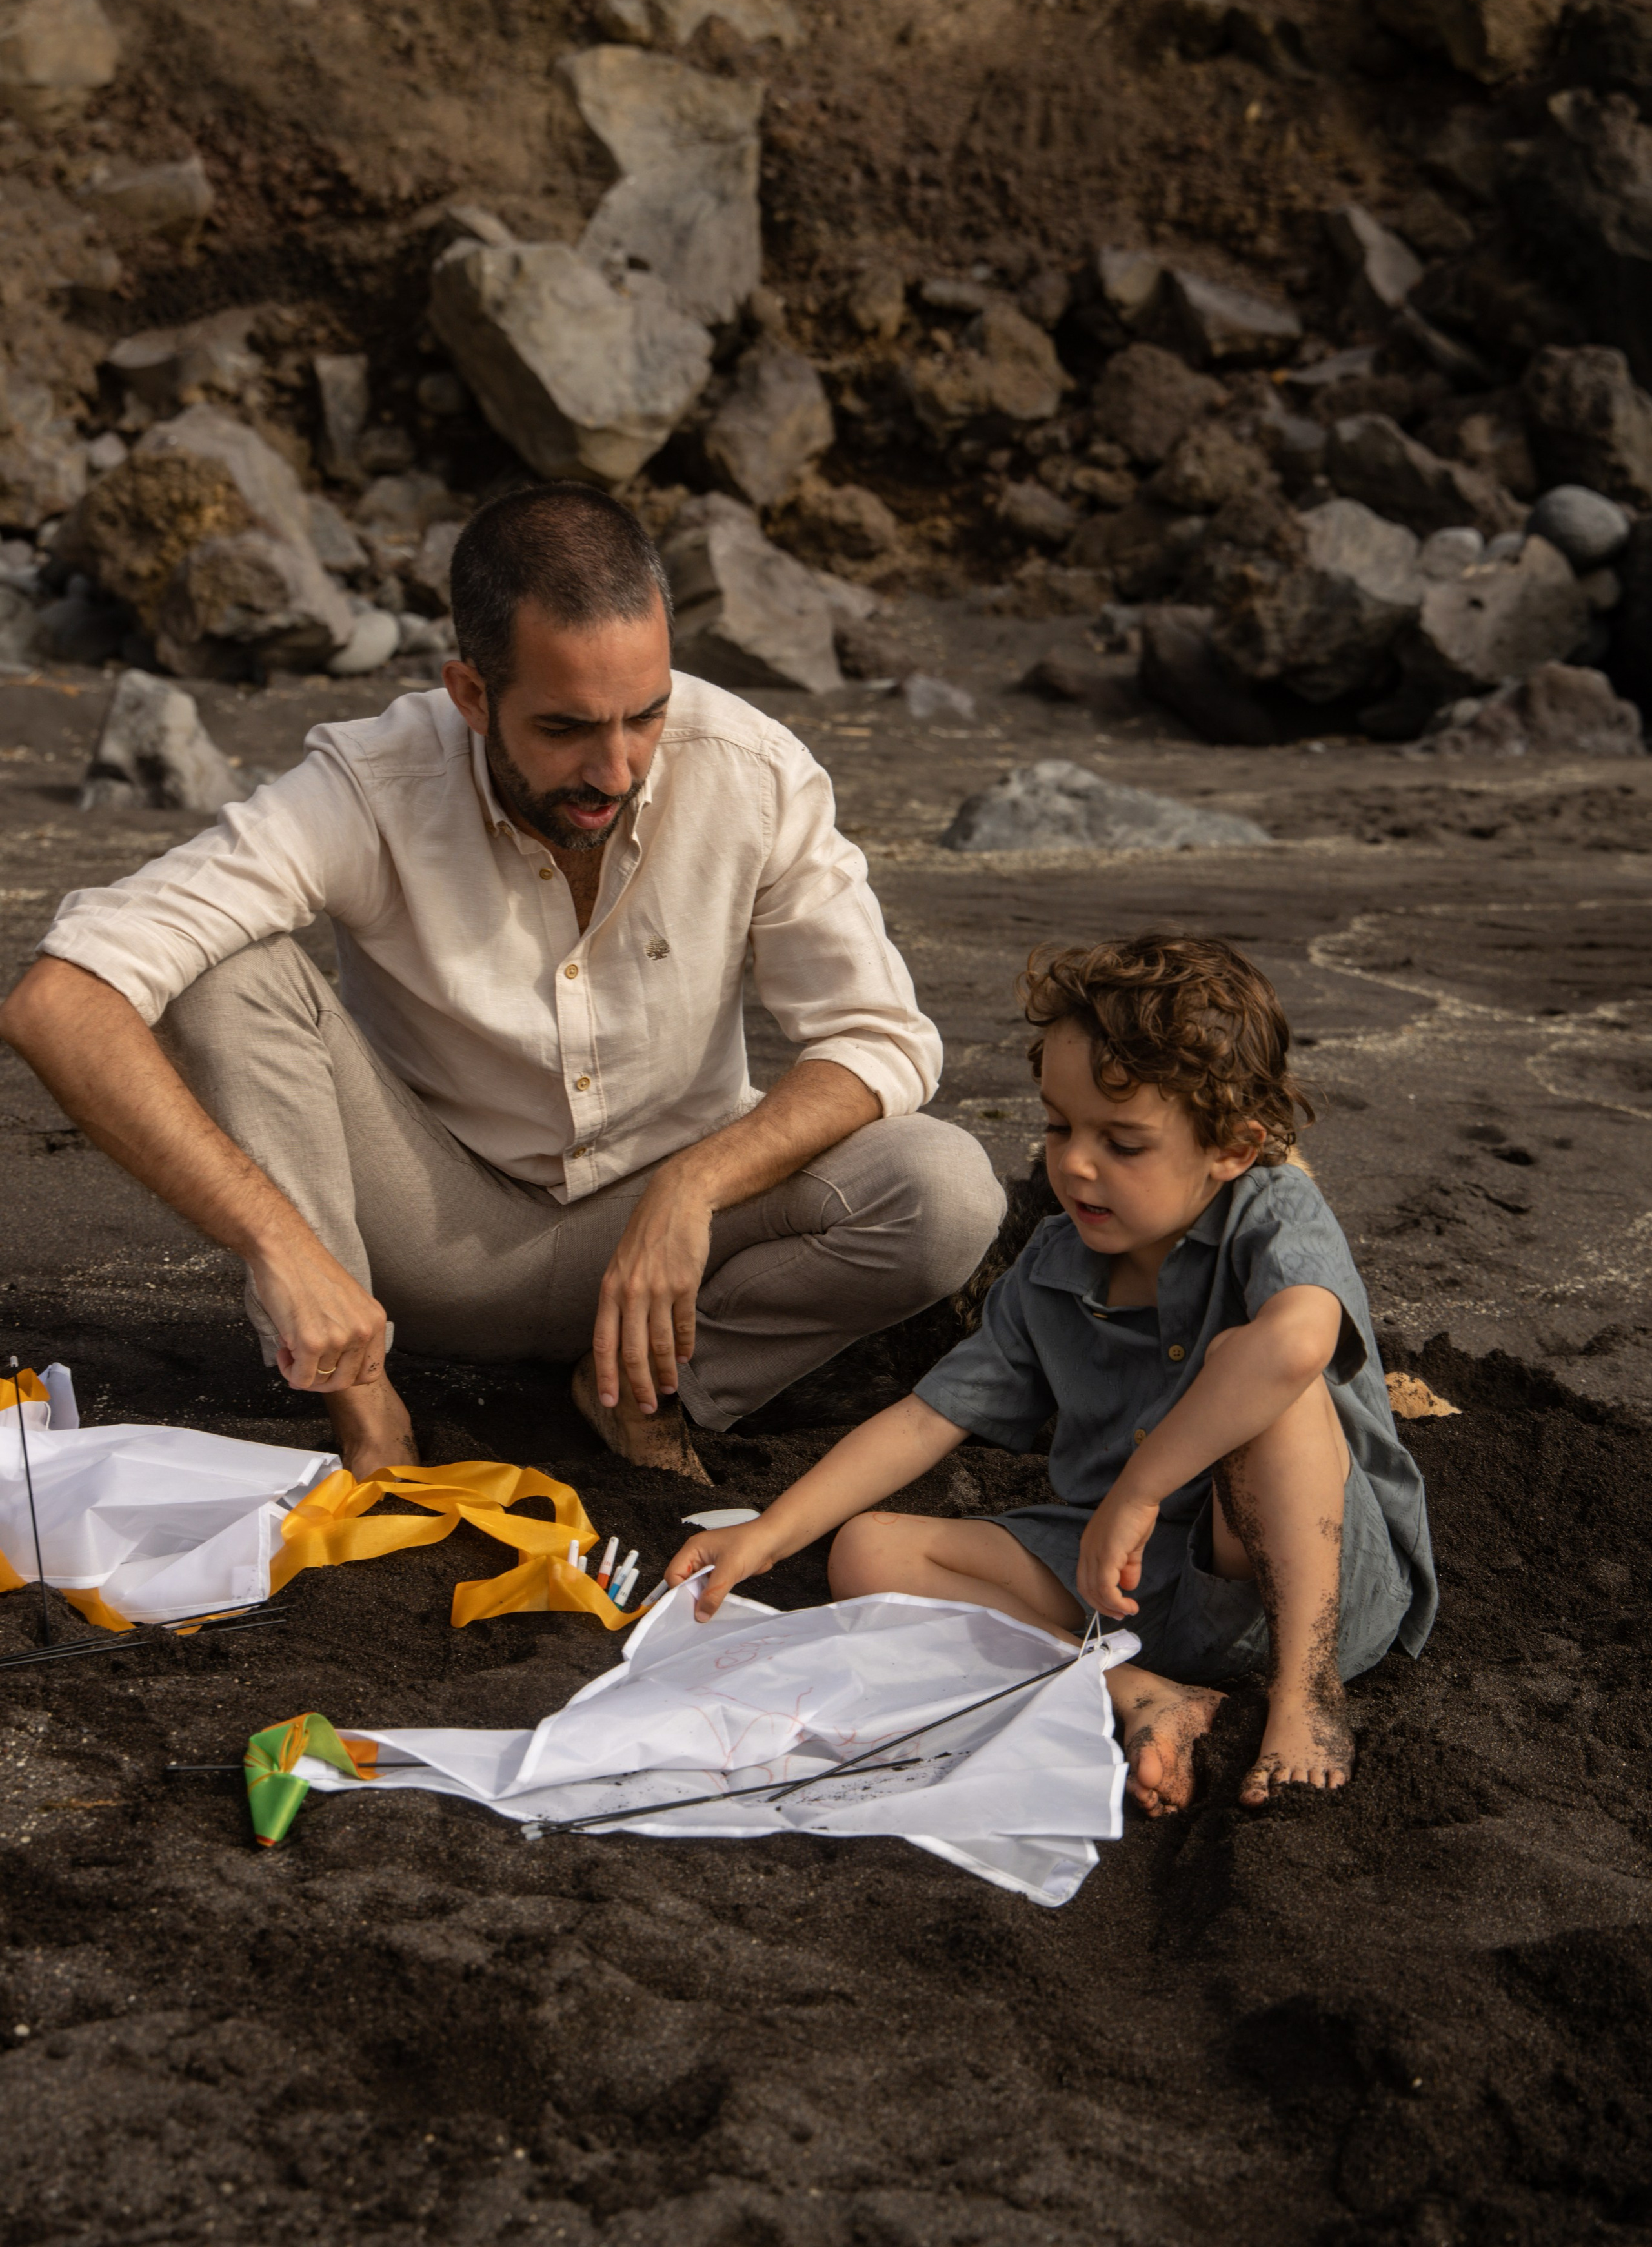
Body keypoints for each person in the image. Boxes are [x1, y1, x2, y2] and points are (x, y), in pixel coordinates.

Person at [0, 482, 1004, 1481]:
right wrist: (279, 1245)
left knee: (943, 1189)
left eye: (645, 716)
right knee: (227, 974)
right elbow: (61, 998)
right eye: (566, 728)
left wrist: (697, 1185)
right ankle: (368, 1411)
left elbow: (882, 1037)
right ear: (472, 694)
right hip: (432, 1244)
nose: (616, 770)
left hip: (667, 1251)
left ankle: (656, 1397)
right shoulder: (371, 782)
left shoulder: (755, 768)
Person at [666, 931, 1436, 1813]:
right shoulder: (1053, 1264)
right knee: (869, 1551)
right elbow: (927, 1419)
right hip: (1133, 1594)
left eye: (1125, 1143)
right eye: (1060, 1126)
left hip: (1312, 1588)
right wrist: (768, 1535)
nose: (1074, 1163)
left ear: (1231, 1147)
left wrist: (1139, 1491)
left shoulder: (1273, 1209)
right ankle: (1136, 1692)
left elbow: (1298, 1343)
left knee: (1265, 1374)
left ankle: (1304, 1698)